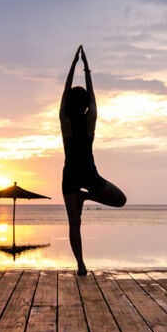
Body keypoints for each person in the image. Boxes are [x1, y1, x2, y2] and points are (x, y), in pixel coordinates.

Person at [60, 45, 127, 275]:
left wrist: (73, 65)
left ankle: (80, 266)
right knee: (121, 200)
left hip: (70, 174)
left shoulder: (65, 121)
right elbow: (93, 100)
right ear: (86, 104)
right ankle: (86, 196)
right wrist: (87, 69)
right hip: (88, 173)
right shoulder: (90, 121)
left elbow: (64, 95)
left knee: (74, 224)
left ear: (69, 103)